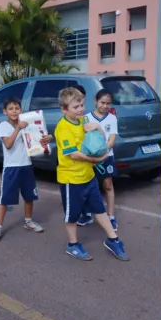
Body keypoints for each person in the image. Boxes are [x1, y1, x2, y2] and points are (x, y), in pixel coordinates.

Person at [54, 87, 128, 261]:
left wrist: (100, 130)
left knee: (99, 209)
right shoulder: (63, 128)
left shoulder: (82, 120)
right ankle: (72, 245)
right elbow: (73, 154)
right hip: (71, 179)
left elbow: (97, 139)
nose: (81, 109)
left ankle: (113, 240)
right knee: (72, 216)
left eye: (81, 105)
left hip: (88, 177)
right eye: (76, 107)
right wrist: (98, 160)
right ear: (64, 109)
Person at [0, 98, 53, 242]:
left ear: (21, 111)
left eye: (17, 108)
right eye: (11, 109)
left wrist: (47, 138)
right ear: (5, 111)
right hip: (11, 167)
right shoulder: (4, 125)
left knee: (29, 196)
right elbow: (8, 145)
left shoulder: (28, 124)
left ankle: (28, 221)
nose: (14, 111)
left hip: (26, 165)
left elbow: (38, 140)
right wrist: (18, 128)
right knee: (5, 199)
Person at [78, 89, 119, 229]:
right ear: (95, 101)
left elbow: (112, 140)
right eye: (102, 102)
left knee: (108, 185)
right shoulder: (86, 117)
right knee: (88, 185)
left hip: (107, 156)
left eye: (108, 103)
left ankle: (111, 217)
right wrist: (93, 156)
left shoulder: (112, 118)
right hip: (89, 157)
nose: (105, 106)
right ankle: (87, 214)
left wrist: (102, 153)